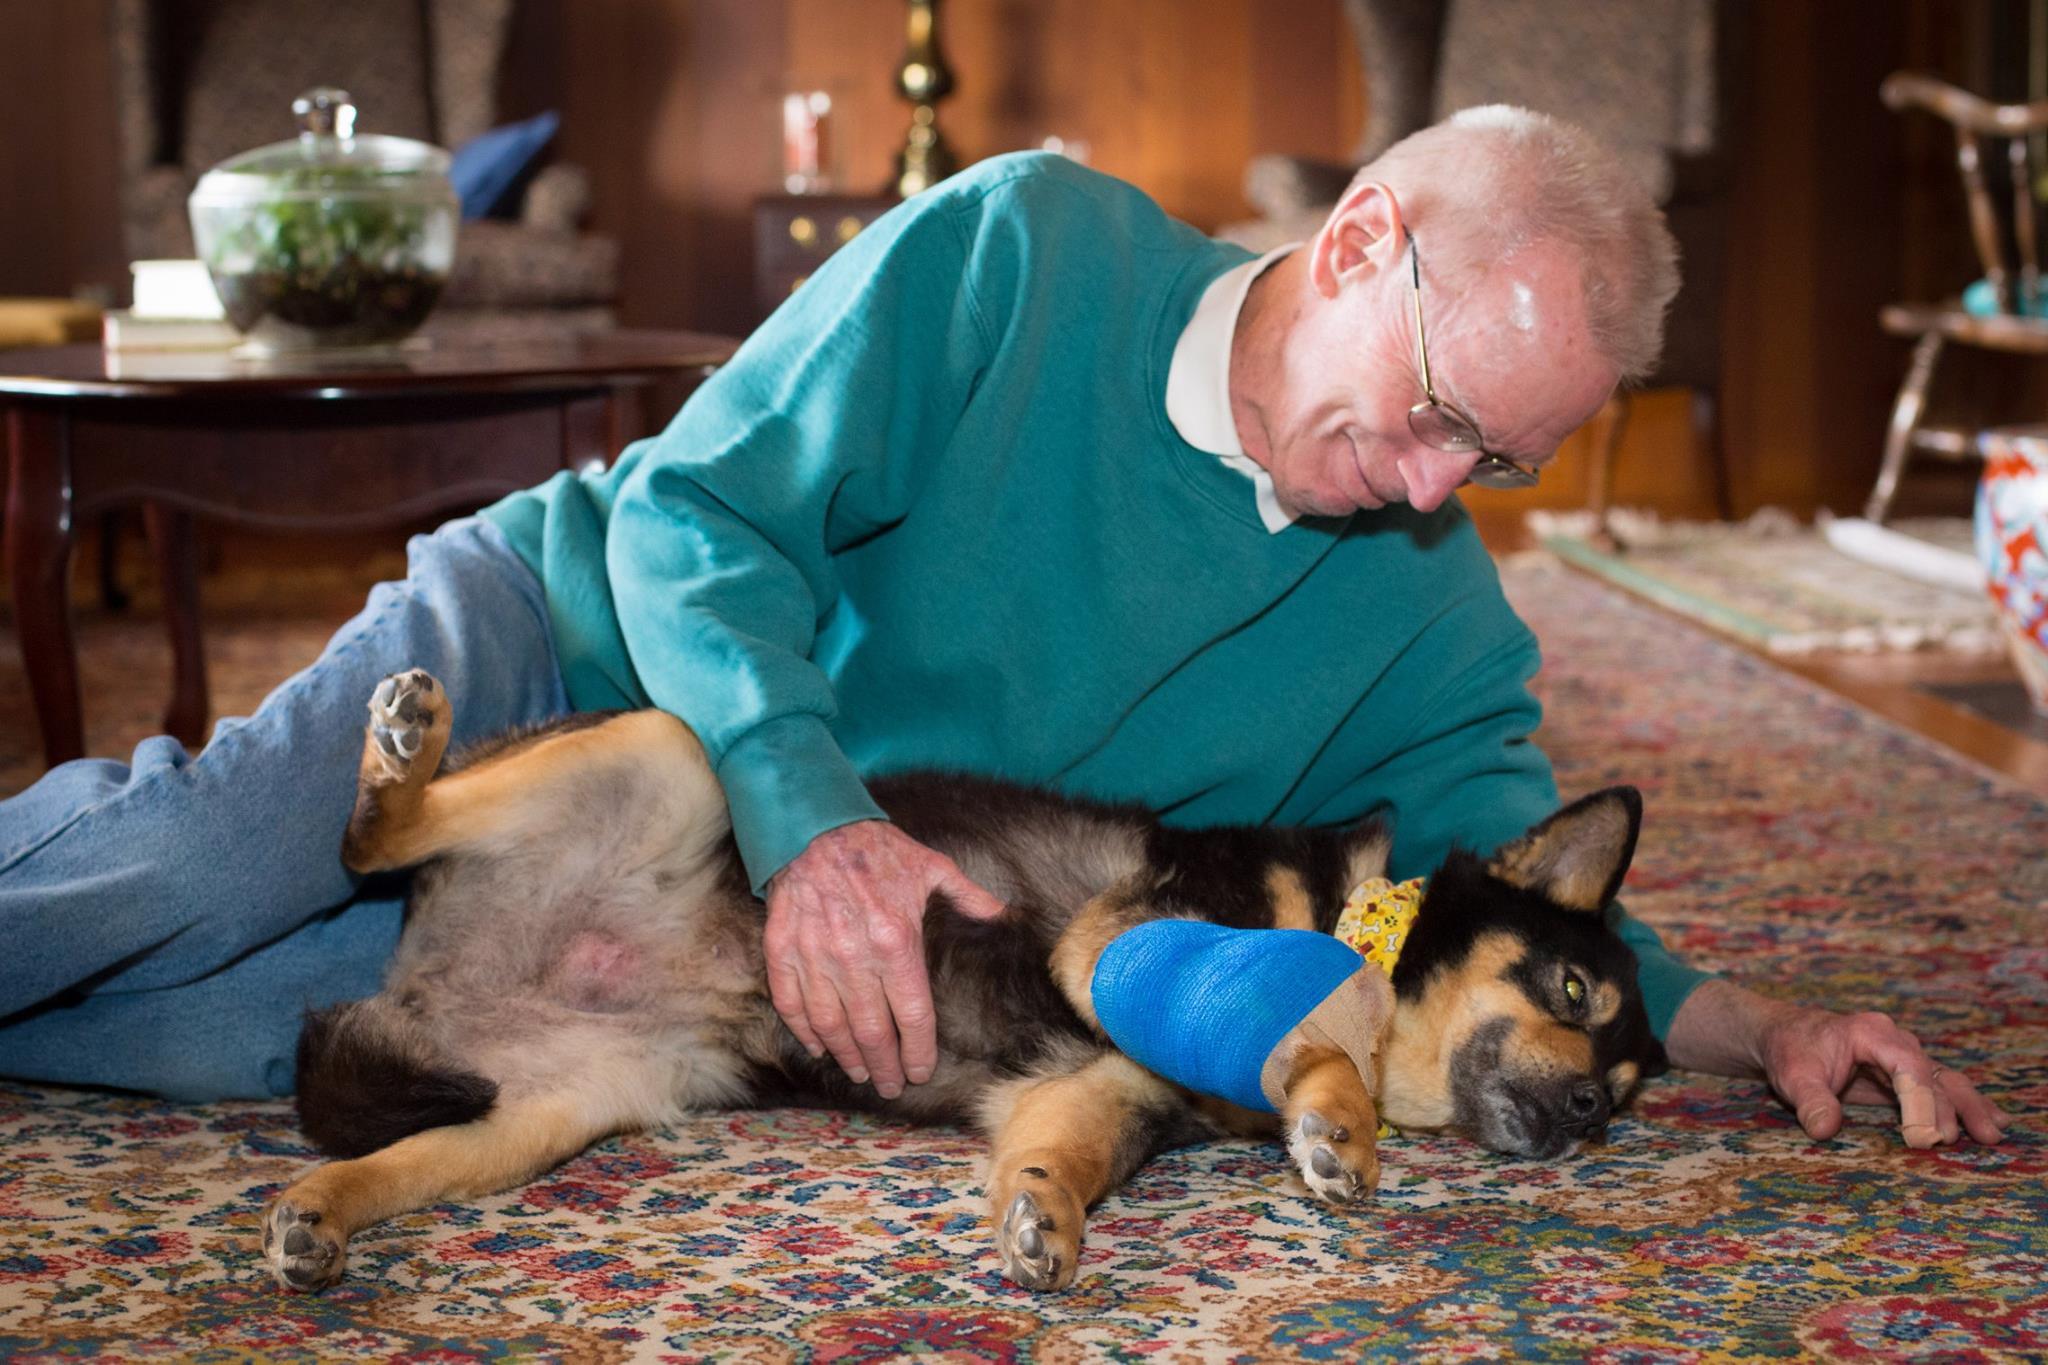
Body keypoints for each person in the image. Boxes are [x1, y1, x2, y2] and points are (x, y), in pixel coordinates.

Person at [0, 107, 2005, 1153]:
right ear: (1363, 242)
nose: (1427, 488)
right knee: (188, 866)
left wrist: (1762, 1028)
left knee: (208, 1034)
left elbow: (1517, 909)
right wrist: (809, 819)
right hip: (571, 656)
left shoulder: (1431, 625)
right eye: (1434, 411)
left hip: (698, 940)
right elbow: (696, 511)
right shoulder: (1021, 250)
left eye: (1493, 462)